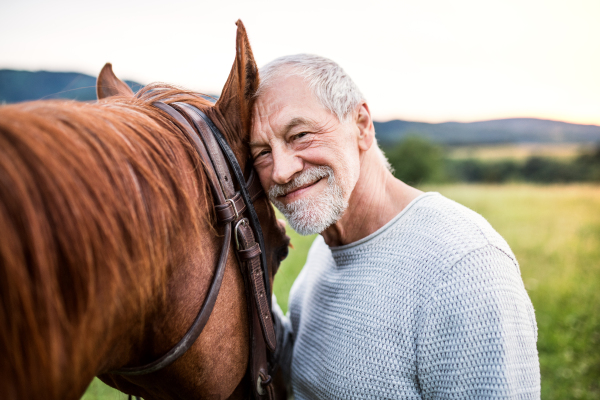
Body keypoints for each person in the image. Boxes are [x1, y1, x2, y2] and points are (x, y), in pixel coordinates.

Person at [250, 54, 540, 399]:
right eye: (262, 152)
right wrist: (257, 278)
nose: (281, 170)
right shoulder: (325, 252)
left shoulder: (464, 265)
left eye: (299, 134)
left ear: (361, 126)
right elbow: (303, 379)